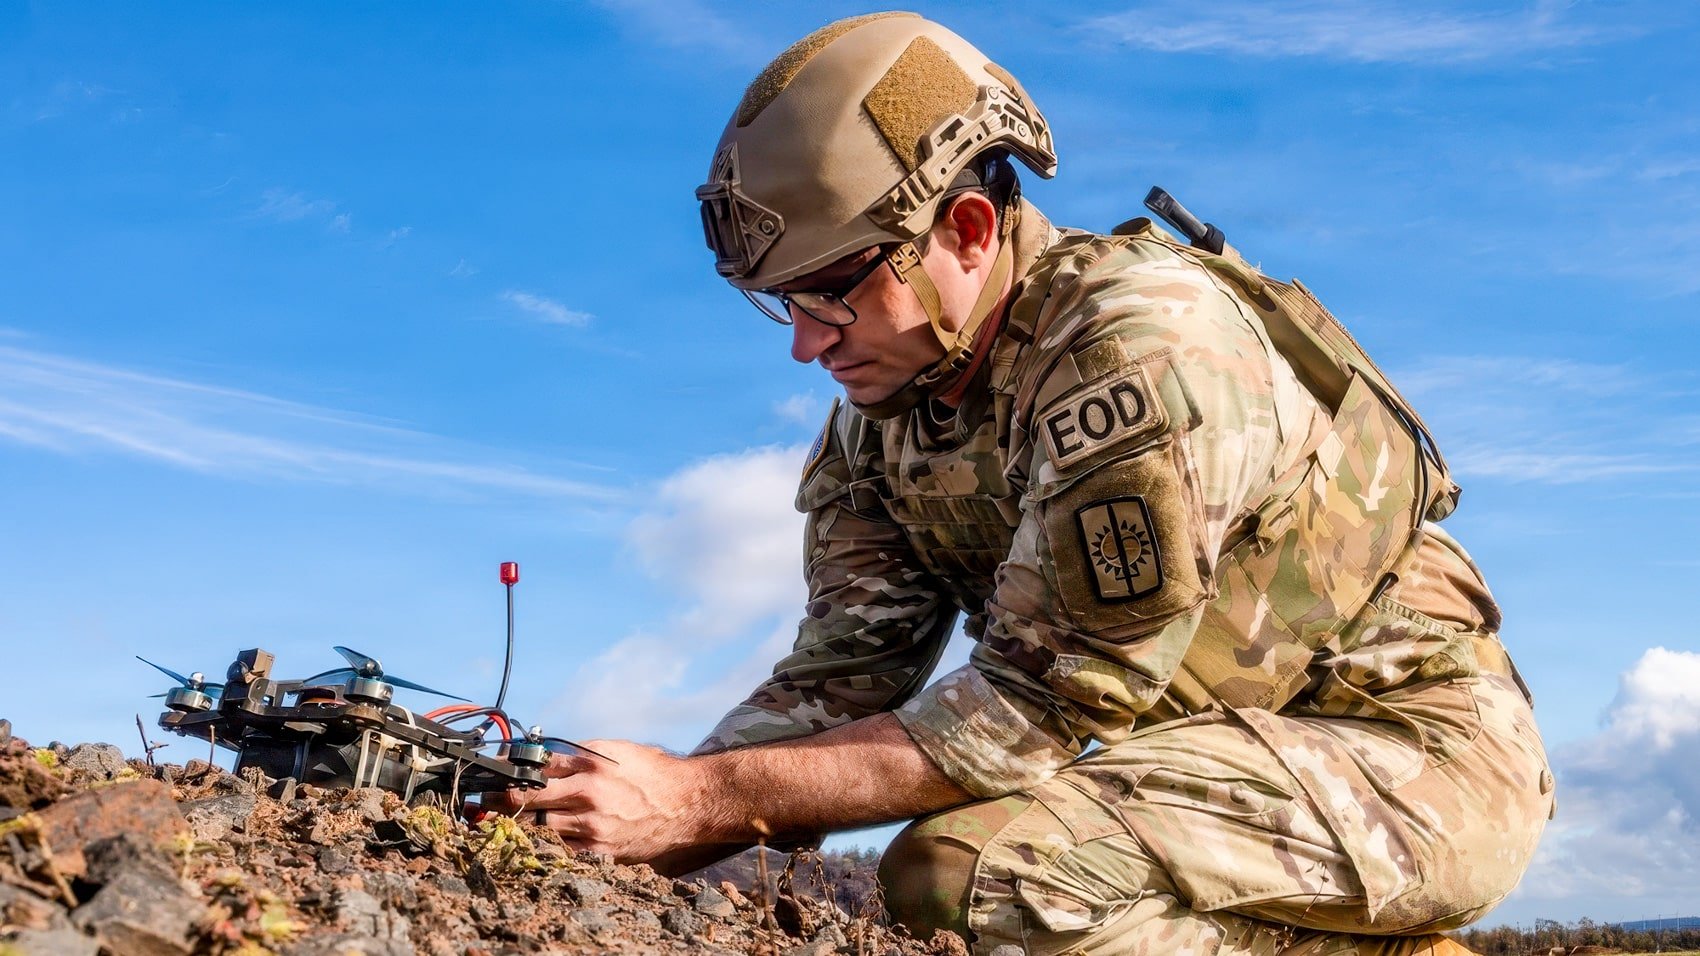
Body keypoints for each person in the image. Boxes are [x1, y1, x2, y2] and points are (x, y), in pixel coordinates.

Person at [484, 13, 1554, 954]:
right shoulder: (883, 418)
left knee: (968, 879)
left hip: (1407, 757)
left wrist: (694, 799)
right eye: (783, 303)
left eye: (833, 291)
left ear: (966, 230)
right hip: (1218, 766)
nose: (806, 344)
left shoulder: (1141, 352)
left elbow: (1031, 709)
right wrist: (597, 820)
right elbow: (841, 677)